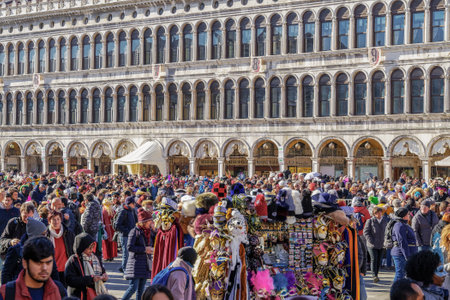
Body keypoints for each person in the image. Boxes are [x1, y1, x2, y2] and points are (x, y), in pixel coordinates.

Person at [0, 236, 67, 300]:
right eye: (38, 263)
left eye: (48, 263)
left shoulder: (59, 291)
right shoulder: (6, 293)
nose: (44, 268)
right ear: (25, 263)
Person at [65, 232, 109, 299]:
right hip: (79, 295)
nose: (91, 250)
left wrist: (104, 277)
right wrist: (90, 279)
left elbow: (101, 272)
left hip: (94, 293)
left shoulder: (95, 258)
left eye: (92, 247)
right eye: (89, 248)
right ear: (82, 247)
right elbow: (69, 280)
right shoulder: (73, 260)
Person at [122, 208, 154, 300]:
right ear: (144, 222)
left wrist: (150, 249)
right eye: (149, 221)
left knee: (141, 290)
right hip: (135, 264)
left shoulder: (148, 232)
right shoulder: (134, 231)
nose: (151, 223)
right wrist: (144, 249)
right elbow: (129, 247)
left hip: (144, 264)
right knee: (133, 288)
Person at [47, 210, 75, 287]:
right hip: (52, 270)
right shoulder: (46, 234)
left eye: (58, 219)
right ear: (49, 221)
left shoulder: (68, 233)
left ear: (61, 220)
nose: (56, 222)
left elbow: (73, 250)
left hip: (66, 268)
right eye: (53, 219)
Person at [363, 206, 389, 283]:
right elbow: (366, 232)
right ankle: (374, 275)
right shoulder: (370, 221)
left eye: (380, 212)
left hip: (382, 244)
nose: (379, 214)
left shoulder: (385, 221)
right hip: (372, 244)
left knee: (379, 260)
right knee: (374, 259)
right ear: (374, 214)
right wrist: (371, 240)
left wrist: (386, 241)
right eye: (377, 213)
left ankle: (376, 274)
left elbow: (387, 232)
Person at [391, 207, 417, 282]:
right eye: (408, 214)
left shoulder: (403, 224)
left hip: (405, 253)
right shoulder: (399, 225)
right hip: (400, 254)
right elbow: (402, 242)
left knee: (403, 274)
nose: (409, 216)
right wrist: (407, 256)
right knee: (400, 274)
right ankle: (395, 292)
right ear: (403, 216)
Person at [114, 196, 137, 273]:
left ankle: (126, 267)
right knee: (126, 254)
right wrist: (127, 231)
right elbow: (117, 225)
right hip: (124, 236)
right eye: (134, 203)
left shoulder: (131, 210)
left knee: (129, 253)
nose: (135, 205)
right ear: (130, 203)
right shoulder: (123, 211)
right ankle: (125, 269)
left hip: (130, 235)